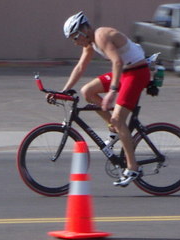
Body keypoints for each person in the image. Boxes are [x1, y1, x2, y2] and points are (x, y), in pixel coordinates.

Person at [62, 12, 150, 186]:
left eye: (75, 37)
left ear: (84, 30)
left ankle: (133, 168)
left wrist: (112, 91)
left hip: (137, 73)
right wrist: (64, 90)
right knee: (87, 91)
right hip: (126, 71)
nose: (75, 42)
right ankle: (116, 129)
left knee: (118, 119)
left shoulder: (101, 36)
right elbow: (80, 67)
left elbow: (117, 62)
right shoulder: (90, 42)